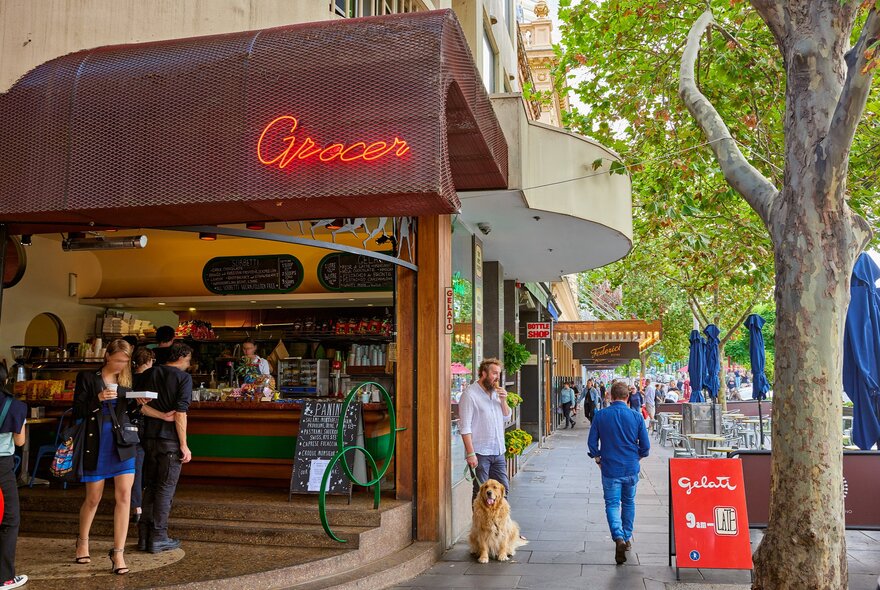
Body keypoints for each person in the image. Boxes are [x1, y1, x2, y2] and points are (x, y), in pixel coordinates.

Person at [74, 339, 138, 575]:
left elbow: (131, 413)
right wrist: (97, 399)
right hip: (96, 441)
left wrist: (138, 403)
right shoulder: (88, 378)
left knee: (124, 496)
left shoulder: (127, 382)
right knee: (93, 498)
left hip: (123, 443)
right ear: (107, 357)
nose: (122, 364)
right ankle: (82, 541)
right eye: (119, 360)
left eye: (126, 361)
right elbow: (77, 410)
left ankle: (118, 553)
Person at [587, 381, 651, 565]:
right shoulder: (636, 416)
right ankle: (627, 536)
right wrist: (636, 458)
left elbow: (592, 444)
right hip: (631, 468)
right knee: (629, 502)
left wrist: (598, 459)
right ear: (627, 397)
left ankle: (618, 537)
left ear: (610, 396)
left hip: (610, 468)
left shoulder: (600, 415)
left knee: (612, 504)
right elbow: (645, 448)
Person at [139, 343, 194, 553]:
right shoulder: (183, 378)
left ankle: (144, 537)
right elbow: (180, 413)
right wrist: (184, 444)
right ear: (182, 356)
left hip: (148, 439)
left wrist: (159, 415)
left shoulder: (147, 374)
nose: (188, 364)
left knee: (151, 487)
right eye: (188, 360)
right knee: (165, 489)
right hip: (169, 441)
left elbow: (139, 405)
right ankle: (159, 537)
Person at [458, 358, 511, 499]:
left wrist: (503, 400)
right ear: (484, 373)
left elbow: (506, 417)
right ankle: (480, 521)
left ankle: (498, 521)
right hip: (480, 453)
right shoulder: (470, 395)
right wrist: (470, 454)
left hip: (498, 450)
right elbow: (465, 427)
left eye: (499, 374)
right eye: (494, 373)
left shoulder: (496, 393)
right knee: (481, 494)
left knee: (503, 491)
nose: (497, 377)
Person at [0, 366, 28, 588]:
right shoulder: (14, 406)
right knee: (9, 520)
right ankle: (5, 577)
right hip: (1, 468)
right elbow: (19, 442)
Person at [130, 347, 156, 525]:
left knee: (136, 466)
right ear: (149, 361)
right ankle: (142, 504)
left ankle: (136, 506)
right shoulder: (152, 378)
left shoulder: (127, 378)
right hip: (148, 427)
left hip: (130, 428)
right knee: (145, 465)